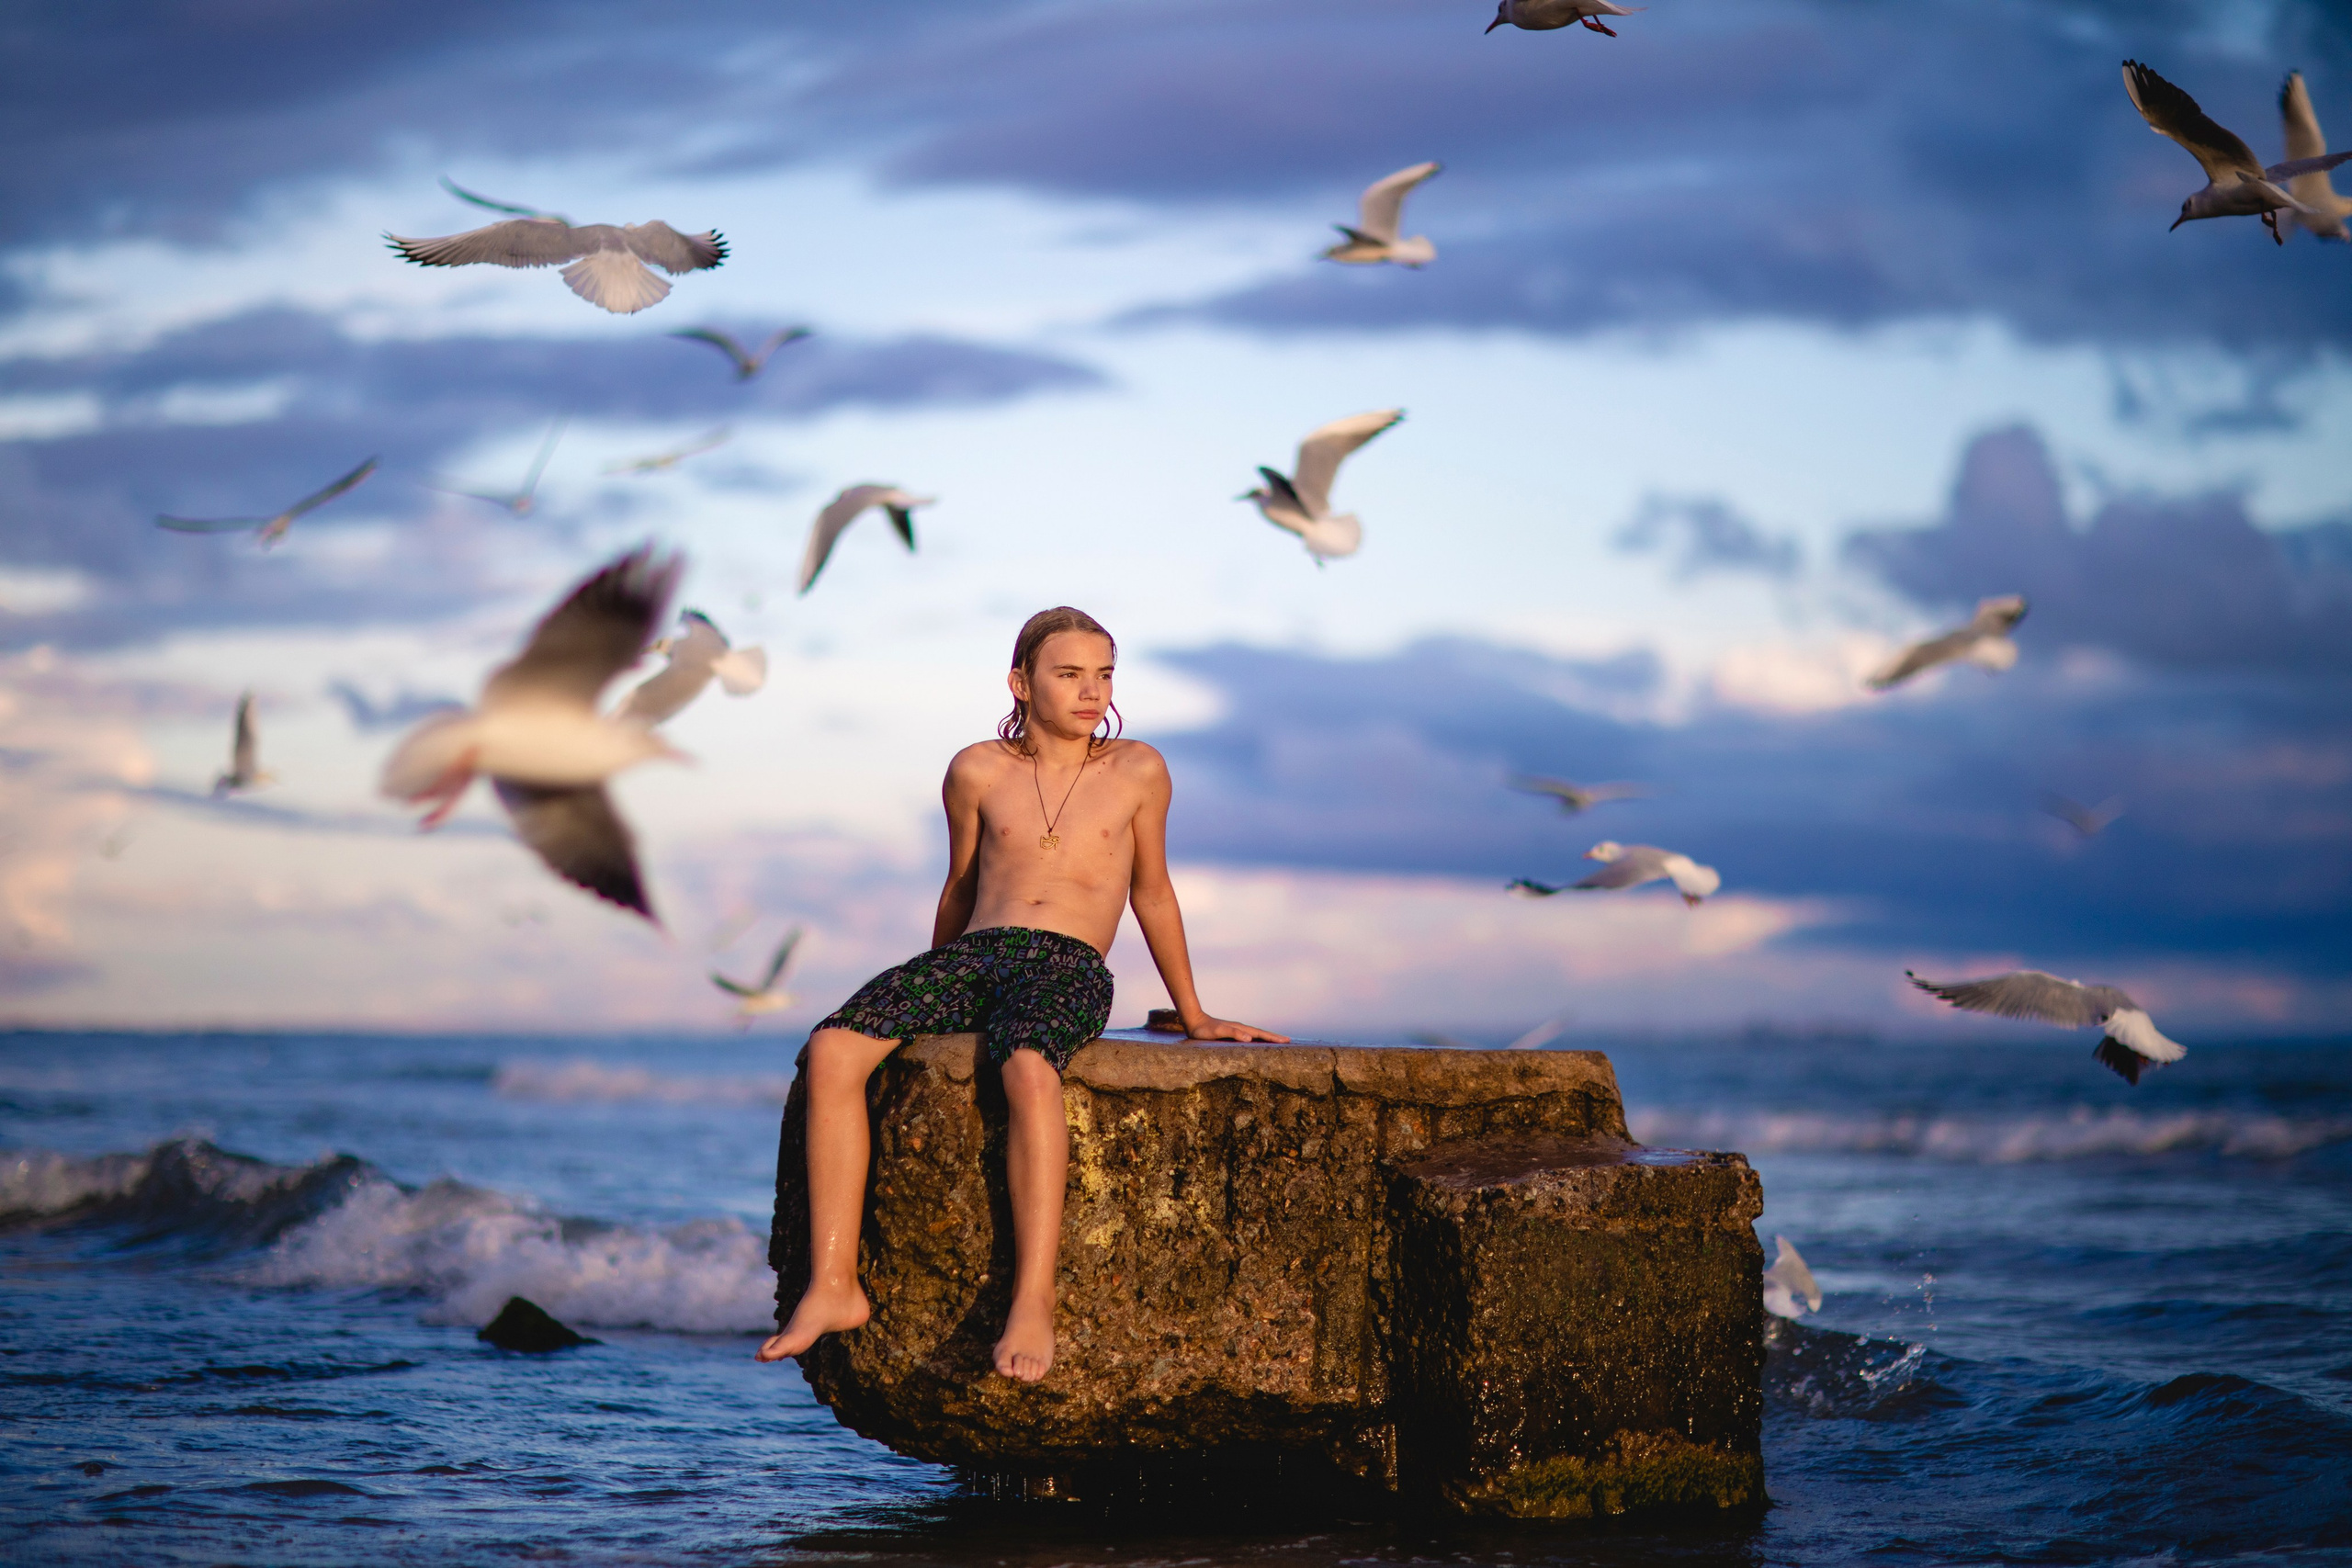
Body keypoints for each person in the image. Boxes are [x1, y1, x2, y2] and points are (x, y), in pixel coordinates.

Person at [758, 607, 1288, 1382]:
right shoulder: (976, 769)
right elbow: (960, 887)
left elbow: (1154, 892)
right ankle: (834, 1284)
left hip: (1067, 963)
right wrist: (927, 996)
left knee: (1028, 1066)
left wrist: (1197, 1012)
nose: (1090, 691)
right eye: (1069, 674)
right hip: (977, 954)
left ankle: (1030, 1298)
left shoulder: (1138, 768)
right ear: (1021, 681)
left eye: (1103, 675)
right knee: (835, 1046)